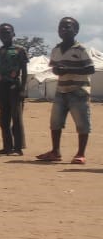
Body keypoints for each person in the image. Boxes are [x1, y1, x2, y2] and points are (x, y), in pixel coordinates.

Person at [36, 17, 95, 164]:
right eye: (61, 27)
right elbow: (54, 68)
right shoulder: (56, 50)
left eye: (68, 27)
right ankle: (55, 151)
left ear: (76, 30)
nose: (63, 29)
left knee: (82, 123)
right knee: (55, 122)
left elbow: (90, 68)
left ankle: (80, 154)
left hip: (78, 90)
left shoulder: (81, 49)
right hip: (61, 90)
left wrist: (68, 69)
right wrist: (57, 71)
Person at [0, 23, 28, 156]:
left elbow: (24, 71)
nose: (5, 35)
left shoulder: (19, 51)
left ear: (13, 34)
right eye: (2, 33)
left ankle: (17, 148)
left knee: (16, 118)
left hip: (14, 87)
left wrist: (23, 89)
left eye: (7, 32)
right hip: (1, 88)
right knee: (3, 119)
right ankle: (7, 146)